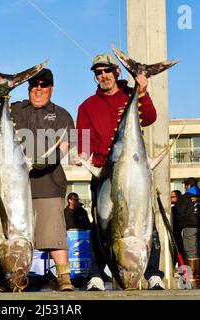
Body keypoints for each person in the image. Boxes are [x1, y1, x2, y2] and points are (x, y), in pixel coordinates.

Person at [75, 53, 165, 290]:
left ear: (117, 72)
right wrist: (82, 155)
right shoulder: (86, 106)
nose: (103, 75)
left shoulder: (129, 95)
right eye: (98, 72)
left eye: (106, 70)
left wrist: (142, 92)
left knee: (146, 222)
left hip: (135, 173)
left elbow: (150, 118)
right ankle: (96, 275)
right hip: (105, 175)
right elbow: (84, 138)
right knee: (101, 224)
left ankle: (153, 274)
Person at [0, 68, 75, 292]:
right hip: (13, 187)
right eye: (34, 85)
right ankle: (9, 275)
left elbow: (70, 143)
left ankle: (64, 277)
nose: (39, 89)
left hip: (48, 183)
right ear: (29, 88)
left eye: (44, 85)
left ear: (51, 88)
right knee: (10, 233)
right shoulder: (14, 108)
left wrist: (49, 160)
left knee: (53, 233)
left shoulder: (62, 114)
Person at [176, 177, 200, 288]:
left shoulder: (185, 197)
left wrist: (183, 222)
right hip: (199, 227)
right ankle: (199, 275)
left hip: (188, 227)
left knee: (189, 251)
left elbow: (180, 212)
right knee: (198, 250)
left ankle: (192, 277)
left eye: (185, 185)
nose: (184, 187)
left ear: (189, 185)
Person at [171, 190, 184, 266]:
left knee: (178, 255)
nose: (170, 199)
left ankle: (182, 274)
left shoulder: (175, 209)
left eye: (172, 197)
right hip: (177, 236)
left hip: (177, 236)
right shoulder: (175, 208)